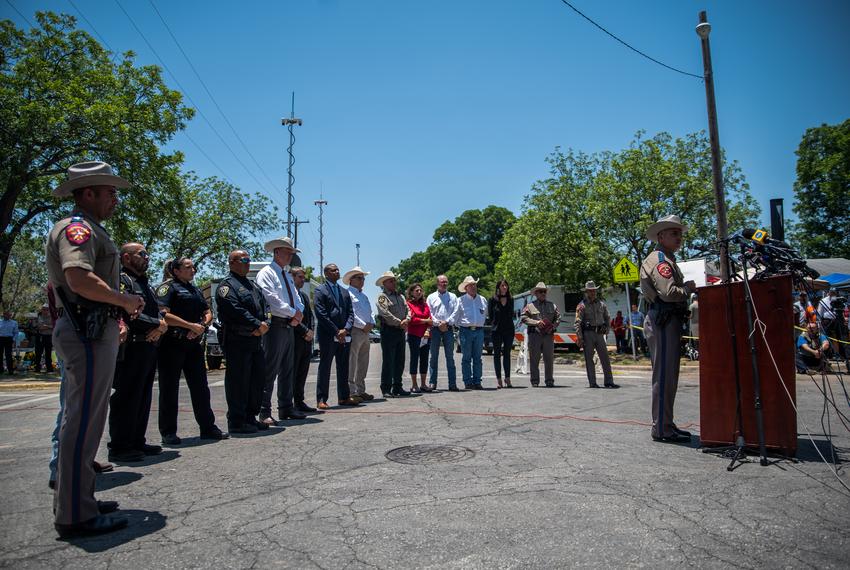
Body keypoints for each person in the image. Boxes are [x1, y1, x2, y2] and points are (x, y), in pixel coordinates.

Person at [47, 161, 145, 537]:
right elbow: (78, 278)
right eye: (110, 192)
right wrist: (122, 300)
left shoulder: (91, 228)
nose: (115, 200)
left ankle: (80, 498)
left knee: (87, 420)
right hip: (85, 330)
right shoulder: (77, 229)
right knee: (83, 421)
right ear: (88, 193)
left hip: (93, 328)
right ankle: (75, 514)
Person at [107, 243, 168, 463]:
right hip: (131, 346)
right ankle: (120, 445)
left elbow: (159, 310)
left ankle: (136, 440)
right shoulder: (123, 281)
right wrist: (158, 324)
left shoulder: (145, 283)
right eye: (141, 254)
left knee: (142, 396)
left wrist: (160, 324)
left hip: (148, 346)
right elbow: (128, 311)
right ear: (126, 258)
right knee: (127, 396)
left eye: (147, 254)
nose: (147, 257)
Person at [156, 256, 227, 443]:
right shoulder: (168, 288)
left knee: (200, 388)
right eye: (188, 267)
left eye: (193, 266)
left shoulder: (194, 289)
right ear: (176, 271)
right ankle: (168, 432)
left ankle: (208, 427)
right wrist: (189, 326)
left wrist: (201, 326)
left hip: (193, 344)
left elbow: (207, 311)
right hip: (172, 344)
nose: (193, 270)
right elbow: (163, 313)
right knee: (169, 389)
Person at [640, 215, 696, 444]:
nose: (679, 237)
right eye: (674, 233)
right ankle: (662, 428)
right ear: (661, 236)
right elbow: (669, 292)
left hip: (668, 320)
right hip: (663, 320)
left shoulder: (667, 258)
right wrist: (688, 289)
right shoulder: (660, 260)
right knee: (664, 377)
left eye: (680, 233)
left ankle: (666, 423)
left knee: (669, 376)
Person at [216, 250, 271, 434]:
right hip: (238, 340)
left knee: (256, 380)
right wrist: (256, 324)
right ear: (232, 262)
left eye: (249, 260)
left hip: (255, 340)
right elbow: (234, 309)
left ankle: (250, 417)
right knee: (238, 381)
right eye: (244, 260)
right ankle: (237, 421)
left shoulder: (253, 286)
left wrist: (265, 323)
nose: (248, 263)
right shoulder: (227, 286)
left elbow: (266, 307)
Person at [256, 237, 307, 423]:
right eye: (287, 252)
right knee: (270, 369)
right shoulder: (266, 273)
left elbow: (297, 298)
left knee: (287, 368)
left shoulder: (286, 275)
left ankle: (286, 407)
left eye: (291, 253)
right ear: (276, 252)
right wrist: (294, 313)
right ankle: (264, 411)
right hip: (275, 325)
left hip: (288, 325)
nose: (290, 256)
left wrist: (298, 313)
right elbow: (271, 299)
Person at [314, 264, 360, 408]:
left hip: (344, 336)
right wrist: (336, 331)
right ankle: (322, 399)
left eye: (338, 269)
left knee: (343, 366)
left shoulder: (344, 292)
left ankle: (344, 397)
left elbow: (351, 313)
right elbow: (321, 313)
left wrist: (345, 329)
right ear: (326, 273)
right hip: (328, 335)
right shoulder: (320, 290)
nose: (337, 271)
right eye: (333, 270)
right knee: (325, 366)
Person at [575, 281, 618, 389]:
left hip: (599, 333)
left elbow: (607, 317)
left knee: (605, 358)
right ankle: (592, 382)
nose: (593, 292)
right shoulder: (581, 306)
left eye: (594, 290)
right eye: (590, 291)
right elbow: (577, 322)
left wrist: (607, 329)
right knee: (589, 359)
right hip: (588, 334)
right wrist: (580, 337)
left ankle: (609, 381)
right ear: (586, 292)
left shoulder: (601, 304)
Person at [375, 271, 411, 397]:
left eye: (394, 280)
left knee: (400, 360)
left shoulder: (400, 296)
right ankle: (386, 388)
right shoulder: (382, 297)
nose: (394, 282)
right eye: (391, 281)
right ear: (384, 283)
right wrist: (399, 322)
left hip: (400, 331)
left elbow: (408, 310)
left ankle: (397, 386)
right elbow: (385, 313)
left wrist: (407, 319)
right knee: (388, 361)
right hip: (389, 331)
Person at [344, 266, 375, 402]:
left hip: (366, 332)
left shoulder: (364, 296)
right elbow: (351, 314)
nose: (362, 280)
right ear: (351, 280)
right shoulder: (347, 294)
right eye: (359, 278)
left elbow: (371, 312)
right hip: (356, 330)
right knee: (352, 361)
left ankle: (361, 389)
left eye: (363, 278)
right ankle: (351, 391)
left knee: (363, 361)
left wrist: (371, 323)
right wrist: (363, 325)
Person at [521, 282, 560, 387]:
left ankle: (549, 380)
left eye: (544, 291)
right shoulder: (530, 306)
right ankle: (534, 381)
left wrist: (553, 327)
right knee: (534, 359)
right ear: (536, 293)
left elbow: (558, 318)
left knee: (549, 359)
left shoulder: (552, 305)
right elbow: (523, 318)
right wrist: (536, 322)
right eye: (541, 292)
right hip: (535, 335)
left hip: (548, 335)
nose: (543, 293)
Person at [291, 266, 319, 413]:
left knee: (302, 372)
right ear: (292, 277)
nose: (303, 280)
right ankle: (289, 404)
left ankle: (299, 401)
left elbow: (310, 317)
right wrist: (304, 331)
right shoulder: (289, 295)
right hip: (295, 339)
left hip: (306, 341)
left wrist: (311, 331)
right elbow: (291, 317)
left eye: (303, 277)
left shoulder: (304, 296)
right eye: (300, 277)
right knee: (293, 372)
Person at [426, 275, 459, 391]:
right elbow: (428, 312)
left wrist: (447, 322)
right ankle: (432, 383)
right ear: (437, 284)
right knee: (433, 357)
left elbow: (456, 312)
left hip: (449, 329)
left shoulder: (453, 297)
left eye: (446, 282)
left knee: (450, 357)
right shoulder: (431, 297)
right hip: (435, 329)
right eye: (442, 282)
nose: (444, 284)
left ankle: (452, 384)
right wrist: (438, 323)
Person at [455, 276, 487, 390]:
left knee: (478, 358)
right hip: (465, 331)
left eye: (474, 285)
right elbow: (456, 317)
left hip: (479, 331)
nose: (473, 287)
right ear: (466, 288)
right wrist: (463, 327)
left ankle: (477, 381)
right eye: (471, 285)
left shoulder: (482, 299)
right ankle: (468, 381)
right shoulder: (460, 300)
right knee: (466, 358)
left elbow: (484, 315)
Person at [406, 283, 432, 393]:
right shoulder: (408, 304)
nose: (419, 292)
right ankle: (414, 384)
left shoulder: (425, 305)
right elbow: (412, 320)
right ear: (411, 292)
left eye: (420, 290)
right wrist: (425, 321)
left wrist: (427, 328)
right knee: (414, 359)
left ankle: (423, 384)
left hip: (425, 336)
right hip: (414, 335)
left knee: (424, 360)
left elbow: (430, 318)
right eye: (416, 290)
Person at [489, 279, 515, 388]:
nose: (505, 287)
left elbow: (511, 314)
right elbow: (491, 315)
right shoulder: (492, 299)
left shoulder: (511, 299)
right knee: (497, 354)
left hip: (509, 330)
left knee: (507, 354)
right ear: (498, 287)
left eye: (506, 285)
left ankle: (507, 378)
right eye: (502, 285)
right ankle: (498, 379)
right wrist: (494, 324)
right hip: (497, 330)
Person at [33, 305, 55, 372]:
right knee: (38, 353)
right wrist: (48, 327)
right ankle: (37, 368)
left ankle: (49, 368)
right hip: (40, 336)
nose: (45, 310)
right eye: (43, 309)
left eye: (47, 309)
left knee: (48, 353)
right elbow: (37, 326)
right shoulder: (38, 317)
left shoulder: (52, 317)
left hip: (49, 336)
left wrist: (45, 326)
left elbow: (54, 326)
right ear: (41, 310)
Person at [0, 309, 19, 375]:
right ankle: (1, 370)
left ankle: (10, 370)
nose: (7, 315)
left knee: (8, 355)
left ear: (10, 315)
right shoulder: (0, 322)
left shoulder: (14, 322)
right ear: (3, 315)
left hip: (9, 339)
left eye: (8, 314)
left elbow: (16, 333)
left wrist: (13, 340)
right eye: (5, 314)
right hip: (1, 339)